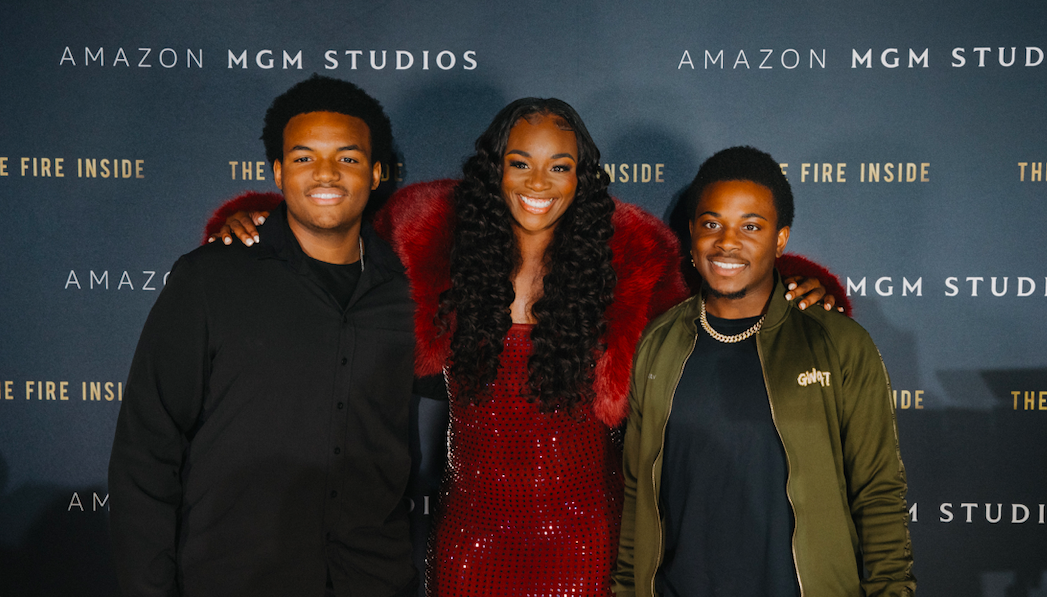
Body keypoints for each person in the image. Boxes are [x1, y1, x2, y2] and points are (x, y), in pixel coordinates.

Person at [209, 100, 846, 596]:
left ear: (581, 176)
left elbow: (721, 311)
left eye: (559, 166)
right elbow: (335, 255)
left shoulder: (632, 261)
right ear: (497, 168)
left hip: (587, 543)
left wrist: (798, 282)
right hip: (471, 543)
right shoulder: (425, 241)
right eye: (521, 163)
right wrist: (259, 218)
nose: (539, 181)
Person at [108, 75, 419, 597]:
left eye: (347, 157)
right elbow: (147, 450)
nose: (326, 173)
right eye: (303, 158)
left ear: (377, 171)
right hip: (233, 578)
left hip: (372, 579)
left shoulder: (411, 293)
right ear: (277, 171)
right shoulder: (211, 279)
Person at [613, 146, 915, 597]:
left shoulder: (840, 344)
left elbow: (877, 493)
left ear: (780, 239)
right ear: (692, 232)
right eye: (712, 223)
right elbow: (638, 495)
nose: (727, 242)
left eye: (750, 226)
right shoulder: (657, 344)